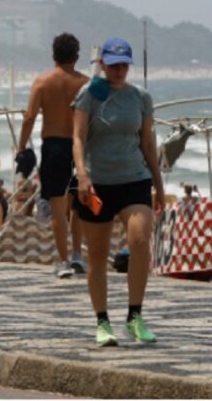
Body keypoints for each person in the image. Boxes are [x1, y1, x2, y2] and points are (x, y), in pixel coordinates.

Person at [71, 37, 165, 347]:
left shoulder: (140, 97)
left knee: (139, 238)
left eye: (124, 64)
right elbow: (79, 138)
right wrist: (82, 175)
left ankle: (135, 315)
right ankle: (102, 321)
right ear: (103, 64)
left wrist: (159, 185)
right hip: (96, 183)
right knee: (97, 256)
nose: (119, 70)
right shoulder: (89, 95)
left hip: (134, 180)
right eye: (113, 64)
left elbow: (148, 143)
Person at [18, 33, 89, 279]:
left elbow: (29, 117)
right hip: (81, 146)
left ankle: (63, 260)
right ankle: (78, 254)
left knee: (58, 206)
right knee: (78, 204)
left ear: (53, 55)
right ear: (77, 56)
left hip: (54, 147)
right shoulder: (86, 84)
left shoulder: (43, 82)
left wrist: (20, 147)